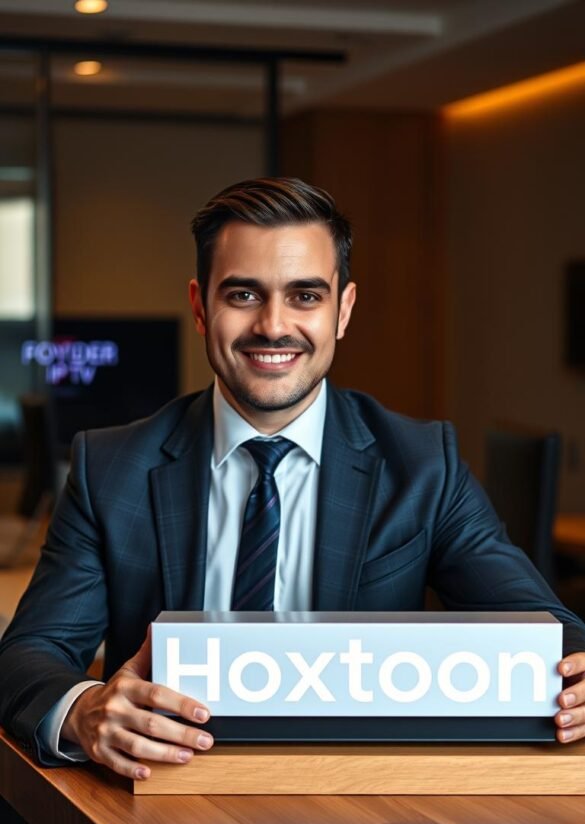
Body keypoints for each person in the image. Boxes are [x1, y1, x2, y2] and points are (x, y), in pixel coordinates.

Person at [1, 176, 585, 779]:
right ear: (201, 308)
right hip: (162, 804)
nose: (273, 325)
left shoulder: (422, 464)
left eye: (305, 296)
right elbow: (26, 655)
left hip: (359, 817)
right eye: (244, 295)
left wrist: (577, 667)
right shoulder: (111, 467)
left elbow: (547, 631)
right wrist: (83, 710)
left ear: (344, 310)